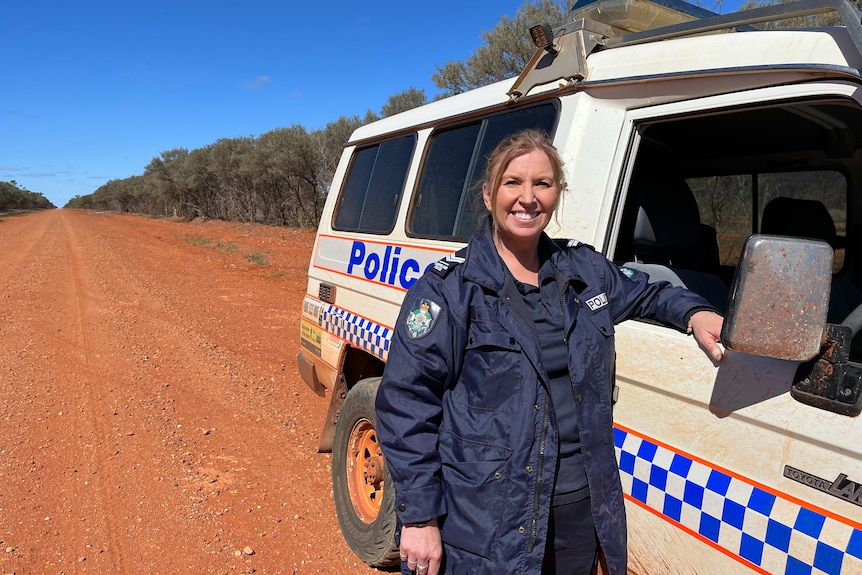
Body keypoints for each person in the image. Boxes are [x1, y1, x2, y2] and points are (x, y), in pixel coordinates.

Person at [375, 130, 724, 575]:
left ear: (557, 193)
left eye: (542, 183)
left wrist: (695, 312)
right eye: (512, 183)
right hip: (485, 515)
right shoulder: (449, 289)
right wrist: (420, 517)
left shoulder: (584, 270)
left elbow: (647, 294)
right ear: (488, 194)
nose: (528, 198)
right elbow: (406, 402)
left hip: (579, 508)